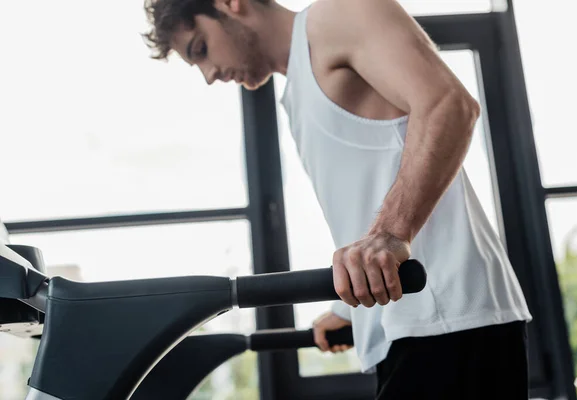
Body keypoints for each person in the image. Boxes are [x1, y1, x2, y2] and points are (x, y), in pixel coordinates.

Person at [143, 0, 533, 398]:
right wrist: (348, 310)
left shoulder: (338, 14)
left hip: (449, 317)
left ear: (231, 4)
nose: (209, 75)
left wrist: (390, 232)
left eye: (201, 48)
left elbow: (449, 105)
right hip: (407, 324)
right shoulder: (298, 90)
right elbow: (367, 197)